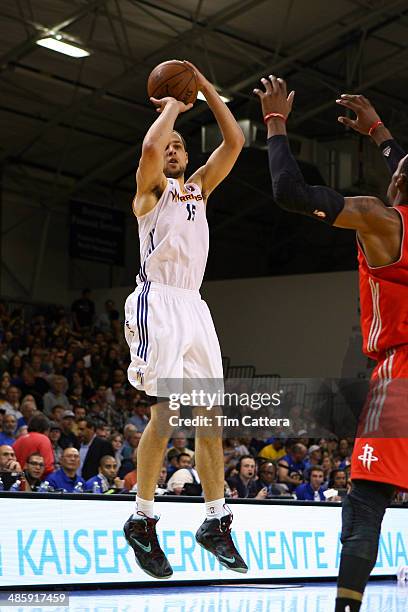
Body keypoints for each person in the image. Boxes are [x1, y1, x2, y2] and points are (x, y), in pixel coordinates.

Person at [255, 75, 408, 612]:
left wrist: (275, 124)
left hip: (402, 374)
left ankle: (346, 607)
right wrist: (382, 134)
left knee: (366, 501)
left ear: (398, 185)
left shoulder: (379, 217)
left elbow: (289, 193)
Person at [123, 60, 247, 579]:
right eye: (167, 143)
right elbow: (150, 149)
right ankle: (142, 517)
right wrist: (174, 103)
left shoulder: (197, 189)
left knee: (210, 420)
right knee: (165, 414)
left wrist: (201, 88)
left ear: (188, 154)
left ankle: (215, 521)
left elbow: (235, 140)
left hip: (195, 307)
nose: (171, 148)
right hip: (158, 302)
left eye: (179, 144)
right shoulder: (149, 192)